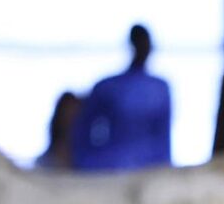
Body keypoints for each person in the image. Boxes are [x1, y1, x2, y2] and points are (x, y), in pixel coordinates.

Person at [71, 24, 174, 173]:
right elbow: (84, 129)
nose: (144, 49)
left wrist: (165, 168)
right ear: (132, 45)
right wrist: (87, 163)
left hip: (150, 168)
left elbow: (164, 136)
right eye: (141, 43)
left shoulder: (160, 88)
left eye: (147, 44)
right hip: (111, 168)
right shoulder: (108, 86)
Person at [39, 91, 83, 171]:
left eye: (77, 116)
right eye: (66, 115)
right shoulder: (43, 163)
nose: (71, 121)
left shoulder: (90, 163)